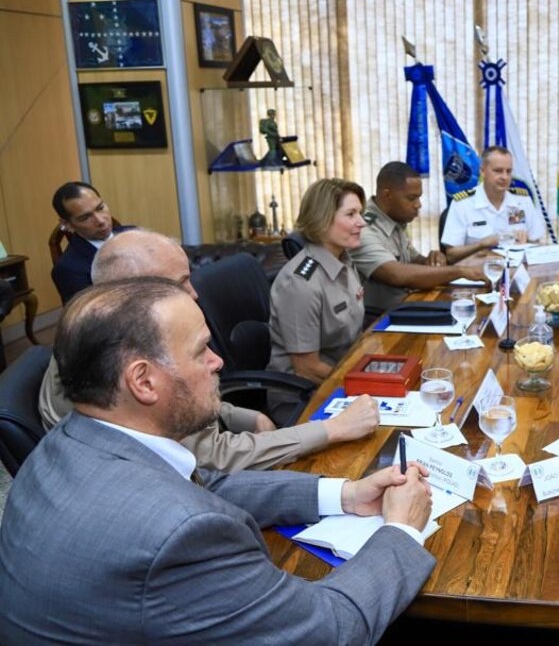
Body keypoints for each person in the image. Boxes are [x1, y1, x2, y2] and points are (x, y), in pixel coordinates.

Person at [0, 279, 435, 643]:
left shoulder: (65, 444)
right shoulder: (181, 536)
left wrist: (347, 493)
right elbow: (330, 630)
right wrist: (401, 529)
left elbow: (204, 483)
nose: (218, 361)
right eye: (202, 350)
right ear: (143, 381)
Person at [38, 228, 380, 472]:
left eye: (189, 278)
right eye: (177, 284)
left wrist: (239, 415)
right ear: (127, 294)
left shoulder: (113, 327)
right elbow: (214, 457)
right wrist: (332, 429)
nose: (194, 293)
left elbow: (187, 398)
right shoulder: (118, 359)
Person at [350, 161, 487, 317]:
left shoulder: (394, 220)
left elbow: (412, 259)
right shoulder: (363, 228)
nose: (418, 205)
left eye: (419, 198)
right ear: (387, 195)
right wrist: (460, 271)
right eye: (411, 198)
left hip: (404, 306)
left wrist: (433, 258)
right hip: (377, 319)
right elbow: (396, 274)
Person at [270, 178, 370, 383]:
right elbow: (308, 369)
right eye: (351, 214)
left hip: (346, 372)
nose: (362, 222)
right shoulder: (300, 283)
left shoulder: (345, 261)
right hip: (306, 395)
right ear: (322, 220)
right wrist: (365, 383)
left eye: (360, 213)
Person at [440, 145, 546, 262]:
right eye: (498, 171)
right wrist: (482, 244)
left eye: (508, 171)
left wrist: (527, 241)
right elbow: (451, 255)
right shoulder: (463, 204)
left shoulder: (522, 201)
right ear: (483, 171)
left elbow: (537, 244)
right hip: (476, 274)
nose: (505, 177)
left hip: (517, 273)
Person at [49, 181, 132, 303]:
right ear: (67, 224)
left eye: (100, 208)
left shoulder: (135, 233)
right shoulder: (68, 269)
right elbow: (93, 316)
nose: (100, 220)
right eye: (85, 217)